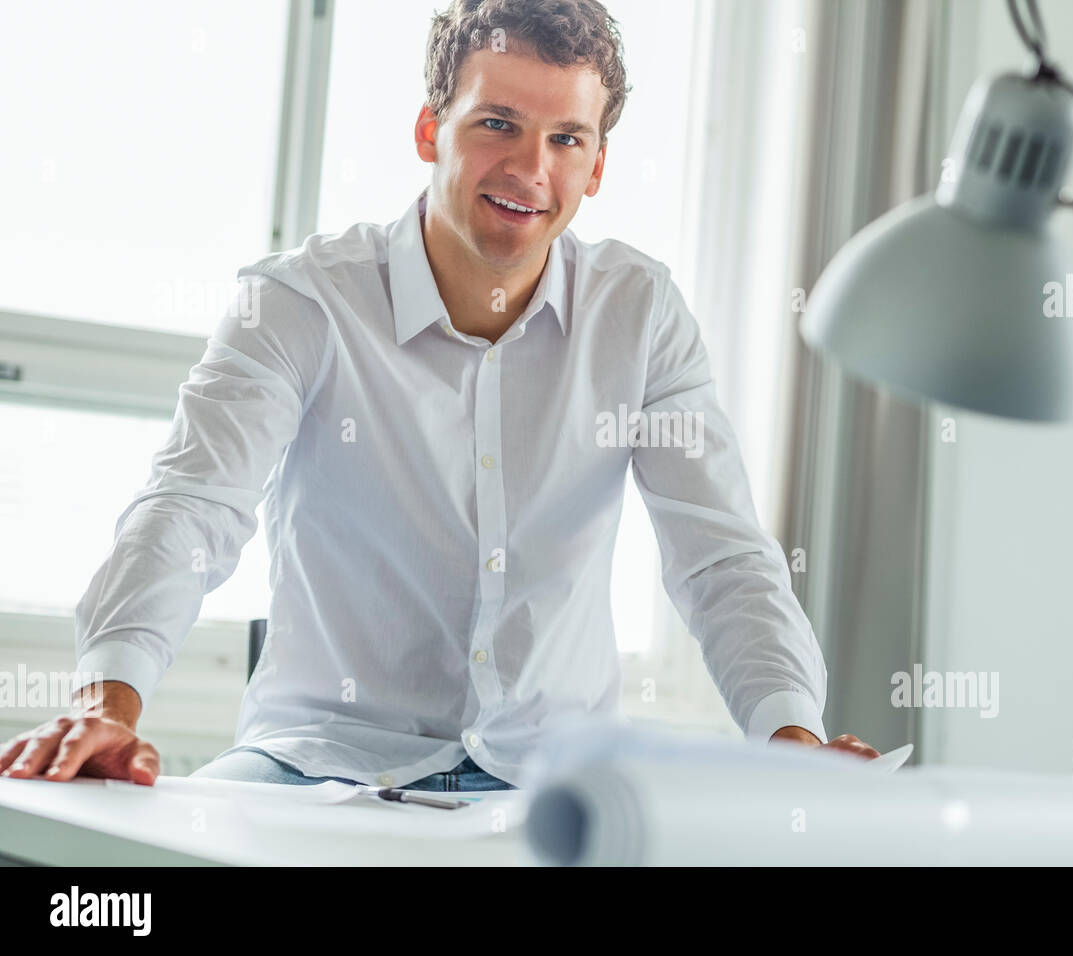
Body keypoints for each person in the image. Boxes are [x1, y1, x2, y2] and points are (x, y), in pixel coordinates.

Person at [0, 0, 879, 792]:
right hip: (317, 761)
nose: (532, 168)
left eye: (567, 138)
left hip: (557, 785)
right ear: (431, 129)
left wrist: (789, 736)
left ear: (598, 164)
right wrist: (108, 702)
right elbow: (192, 506)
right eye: (498, 124)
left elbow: (720, 558)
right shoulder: (300, 303)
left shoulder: (641, 314)